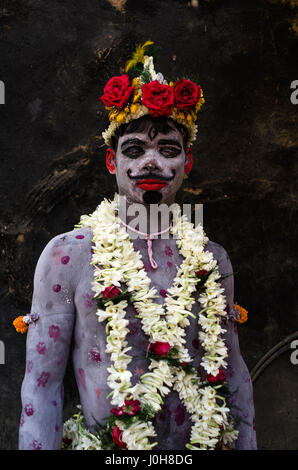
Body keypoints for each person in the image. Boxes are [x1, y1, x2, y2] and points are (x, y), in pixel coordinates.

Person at [17, 42, 257, 450]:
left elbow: (235, 379)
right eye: (135, 150)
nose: (151, 163)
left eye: (168, 150)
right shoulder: (68, 254)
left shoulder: (213, 259)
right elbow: (41, 388)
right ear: (112, 162)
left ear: (187, 163)